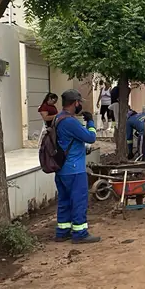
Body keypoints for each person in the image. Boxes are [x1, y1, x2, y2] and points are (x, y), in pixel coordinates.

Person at [53, 89, 101, 244]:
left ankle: (62, 231)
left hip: (61, 169)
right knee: (79, 200)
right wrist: (91, 122)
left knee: (64, 200)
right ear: (75, 103)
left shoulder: (58, 118)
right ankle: (80, 233)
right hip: (75, 169)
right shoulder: (70, 122)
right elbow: (90, 137)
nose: (80, 105)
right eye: (80, 103)